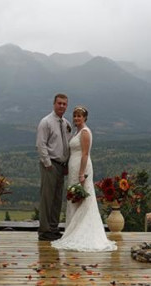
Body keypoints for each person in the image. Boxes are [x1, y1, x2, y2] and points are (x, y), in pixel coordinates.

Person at [52, 106, 116, 252]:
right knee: (74, 197)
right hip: (74, 167)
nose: (76, 118)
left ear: (85, 118)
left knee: (83, 198)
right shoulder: (77, 132)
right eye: (75, 116)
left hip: (82, 168)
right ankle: (73, 229)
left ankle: (82, 231)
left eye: (79, 116)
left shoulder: (85, 132)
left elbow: (85, 154)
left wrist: (81, 173)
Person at [36, 93, 72, 241]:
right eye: (59, 103)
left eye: (64, 104)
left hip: (62, 166)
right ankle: (44, 231)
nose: (62, 106)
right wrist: (48, 164)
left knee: (57, 199)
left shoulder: (66, 123)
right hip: (50, 165)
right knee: (47, 198)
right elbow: (40, 144)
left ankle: (53, 228)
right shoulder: (46, 122)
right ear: (54, 104)